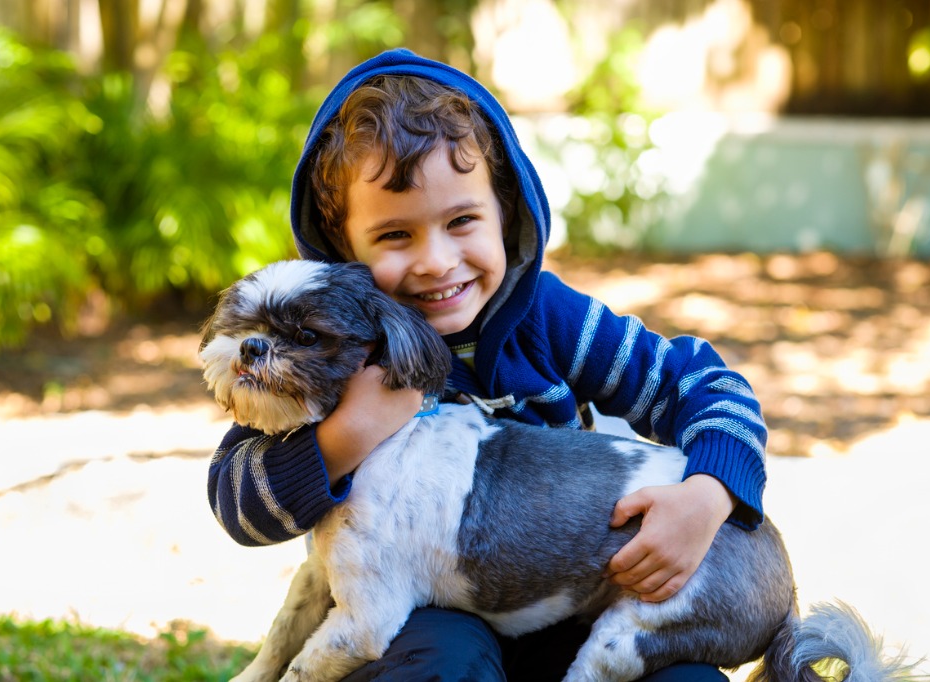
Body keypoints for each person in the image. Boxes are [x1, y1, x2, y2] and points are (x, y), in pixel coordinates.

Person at [208, 49, 767, 681]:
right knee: (440, 661)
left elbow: (702, 386)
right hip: (423, 608)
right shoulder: (328, 350)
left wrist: (708, 494)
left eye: (462, 220)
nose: (437, 261)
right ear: (343, 251)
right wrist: (350, 433)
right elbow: (239, 500)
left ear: (506, 212)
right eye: (396, 236)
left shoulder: (548, 320)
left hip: (571, 599)